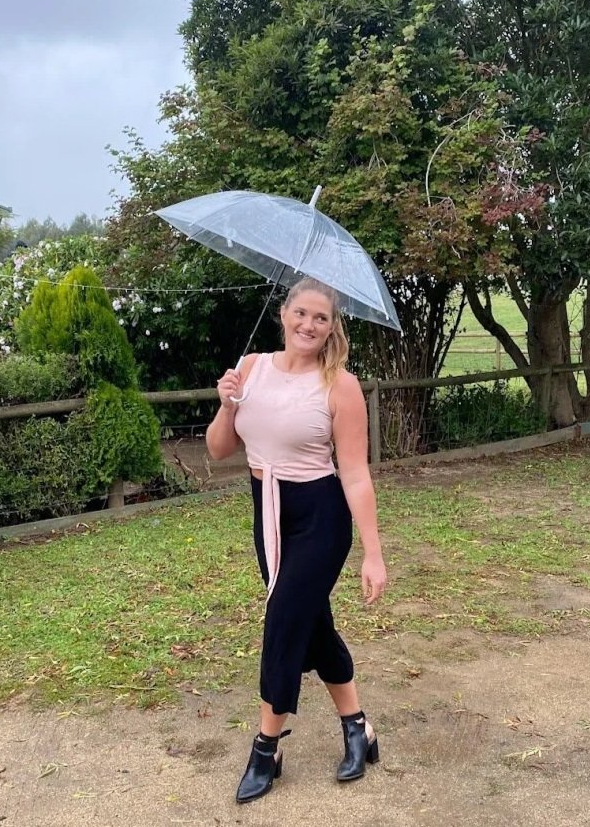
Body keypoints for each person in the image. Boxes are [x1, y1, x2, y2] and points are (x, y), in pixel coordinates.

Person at [205, 277, 387, 803]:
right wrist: (227, 404)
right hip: (267, 512)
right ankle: (358, 727)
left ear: (332, 328)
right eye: (301, 313)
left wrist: (373, 553)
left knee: (284, 621)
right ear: (283, 313)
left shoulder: (340, 385)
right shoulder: (250, 367)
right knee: (311, 624)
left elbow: (355, 473)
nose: (309, 324)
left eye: (321, 318)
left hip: (320, 517)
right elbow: (218, 450)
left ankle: (266, 747)